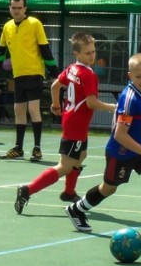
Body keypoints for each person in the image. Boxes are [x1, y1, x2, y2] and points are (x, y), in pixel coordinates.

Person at [64, 53, 141, 238]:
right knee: (108, 188)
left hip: (138, 146)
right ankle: (76, 209)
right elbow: (120, 135)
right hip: (120, 151)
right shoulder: (130, 98)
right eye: (138, 76)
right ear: (129, 75)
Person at [14, 33, 116, 214]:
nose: (92, 56)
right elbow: (92, 103)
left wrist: (55, 104)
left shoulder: (71, 69)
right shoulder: (88, 74)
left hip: (73, 121)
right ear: (77, 54)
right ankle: (27, 190)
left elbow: (55, 86)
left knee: (81, 154)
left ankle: (69, 193)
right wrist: (113, 107)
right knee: (65, 166)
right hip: (76, 123)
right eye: (87, 53)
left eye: (93, 51)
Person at [0, 0, 59, 162]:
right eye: (13, 8)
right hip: (18, 75)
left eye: (19, 8)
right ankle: (18, 148)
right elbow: (0, 54)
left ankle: (37, 148)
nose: (16, 11)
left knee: (33, 109)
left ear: (25, 9)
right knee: (19, 111)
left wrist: (56, 74)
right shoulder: (7, 27)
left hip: (34, 73)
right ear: (10, 9)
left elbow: (45, 50)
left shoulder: (35, 24)